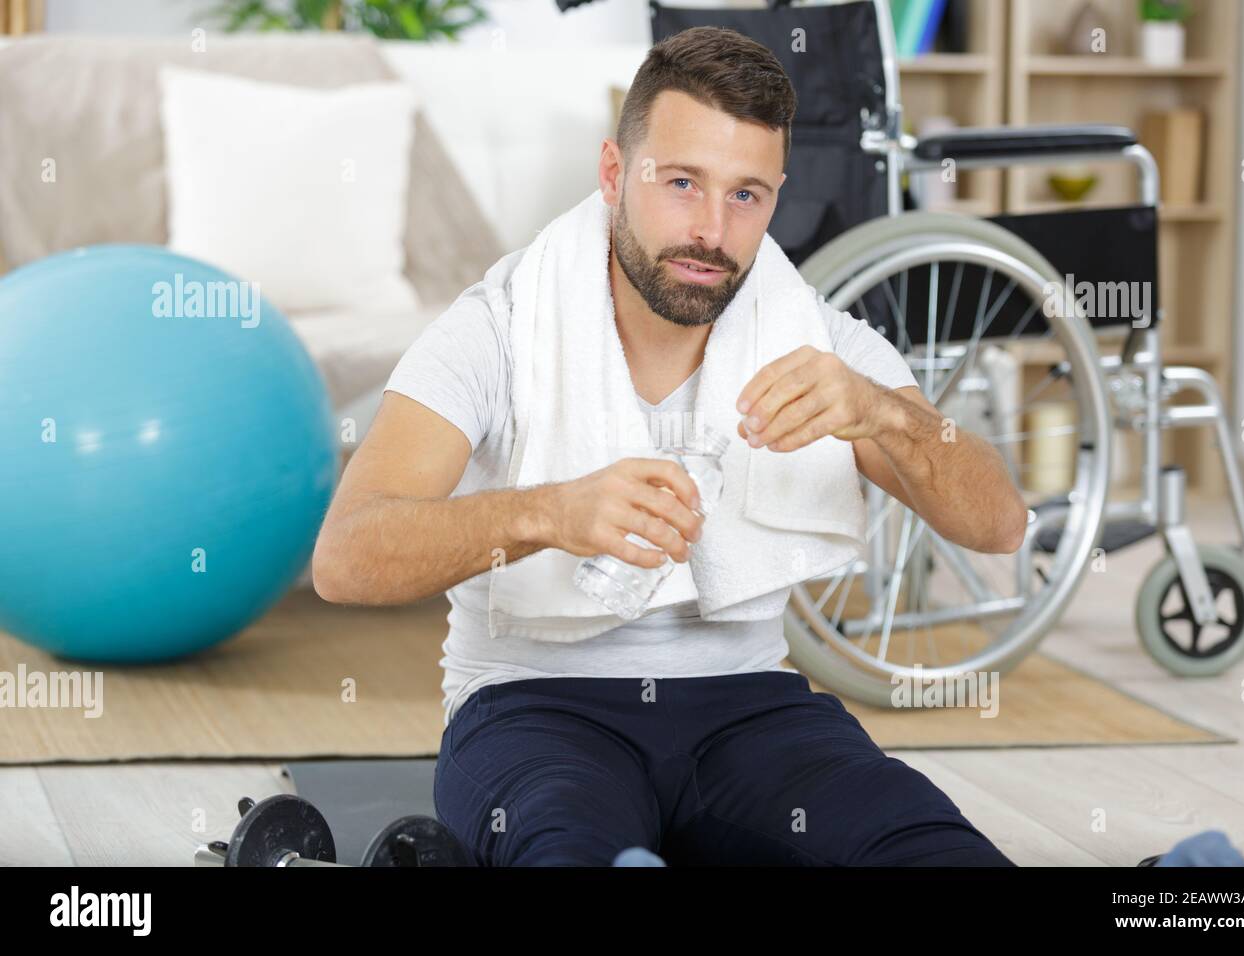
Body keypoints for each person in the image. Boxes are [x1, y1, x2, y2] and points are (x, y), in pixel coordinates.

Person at [313, 26, 1028, 866]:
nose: (712, 231)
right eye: (683, 183)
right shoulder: (498, 327)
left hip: (753, 710)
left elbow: (1001, 524)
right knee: (567, 853)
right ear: (615, 173)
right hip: (535, 710)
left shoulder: (817, 343)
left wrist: (887, 415)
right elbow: (347, 557)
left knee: (935, 851)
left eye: (746, 195)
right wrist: (552, 511)